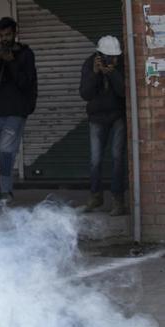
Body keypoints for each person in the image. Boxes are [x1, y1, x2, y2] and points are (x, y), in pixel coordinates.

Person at [0, 17, 37, 205]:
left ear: (14, 33)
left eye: (8, 34)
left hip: (16, 110)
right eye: (1, 35)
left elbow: (25, 83)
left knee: (6, 151)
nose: (5, 39)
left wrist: (11, 61)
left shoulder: (26, 54)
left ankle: (6, 192)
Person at [79, 36, 127, 216]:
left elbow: (124, 91)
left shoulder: (121, 64)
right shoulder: (90, 64)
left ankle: (118, 200)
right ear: (99, 54)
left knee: (117, 158)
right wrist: (95, 73)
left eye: (115, 56)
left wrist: (112, 72)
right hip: (96, 118)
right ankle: (95, 195)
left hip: (117, 116)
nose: (112, 60)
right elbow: (85, 94)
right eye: (108, 56)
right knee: (95, 160)